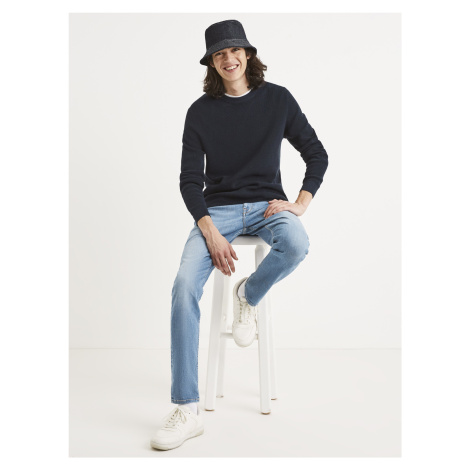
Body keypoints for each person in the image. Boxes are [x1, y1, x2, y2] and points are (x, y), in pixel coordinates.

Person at [150, 19, 328, 451]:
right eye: (219, 53)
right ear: (212, 63)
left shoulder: (277, 99)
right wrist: (209, 230)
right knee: (183, 285)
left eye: (235, 50)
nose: (228, 59)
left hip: (268, 205)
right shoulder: (200, 112)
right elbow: (189, 181)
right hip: (218, 213)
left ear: (248, 54)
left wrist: (299, 204)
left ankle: (248, 294)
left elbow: (316, 153)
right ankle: (187, 409)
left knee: (297, 242)